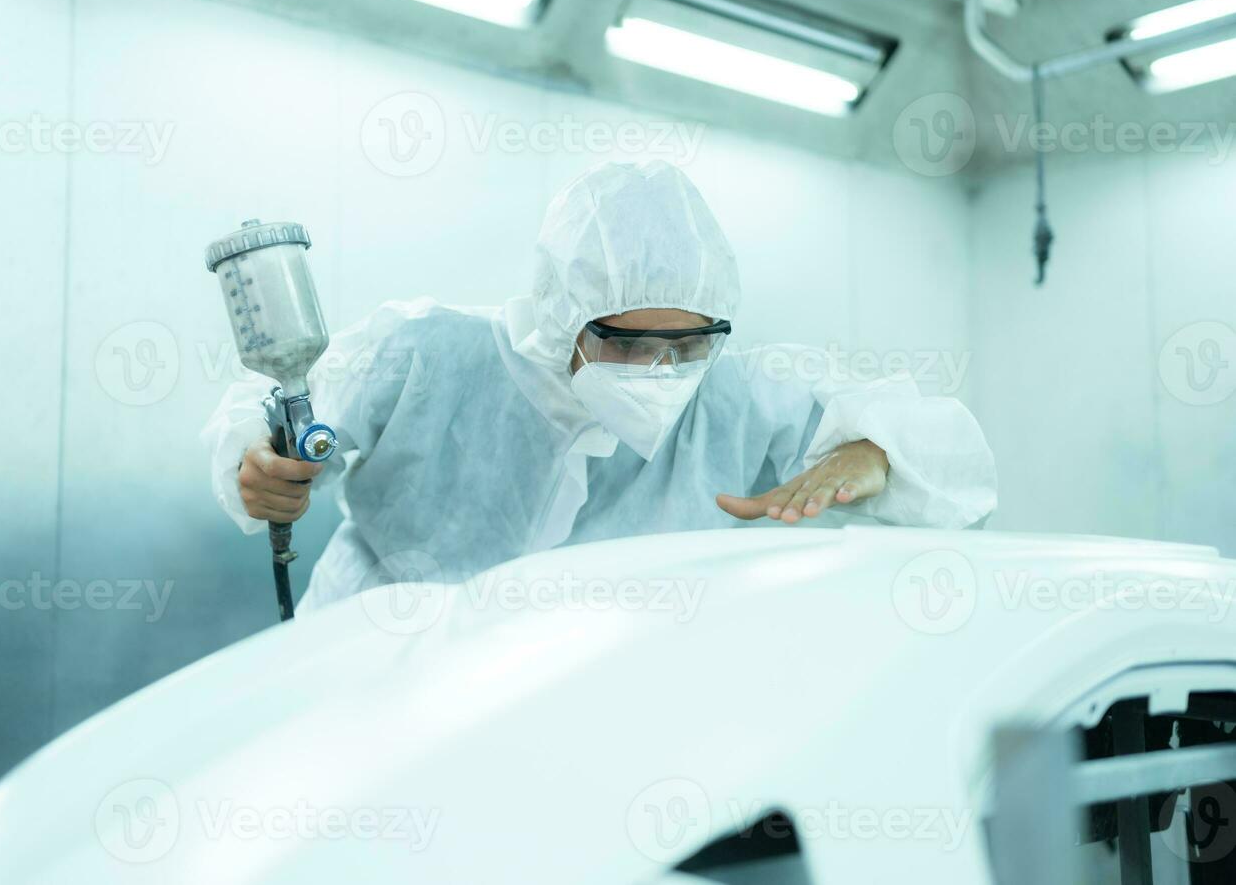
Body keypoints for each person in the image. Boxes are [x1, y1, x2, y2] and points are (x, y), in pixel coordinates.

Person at [203, 162, 997, 612]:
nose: (658, 370)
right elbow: (264, 428)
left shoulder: (735, 395)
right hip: (376, 686)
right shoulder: (424, 354)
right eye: (624, 341)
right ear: (562, 313)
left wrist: (874, 453)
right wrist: (258, 469)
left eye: (685, 343)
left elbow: (949, 471)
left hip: (578, 718)